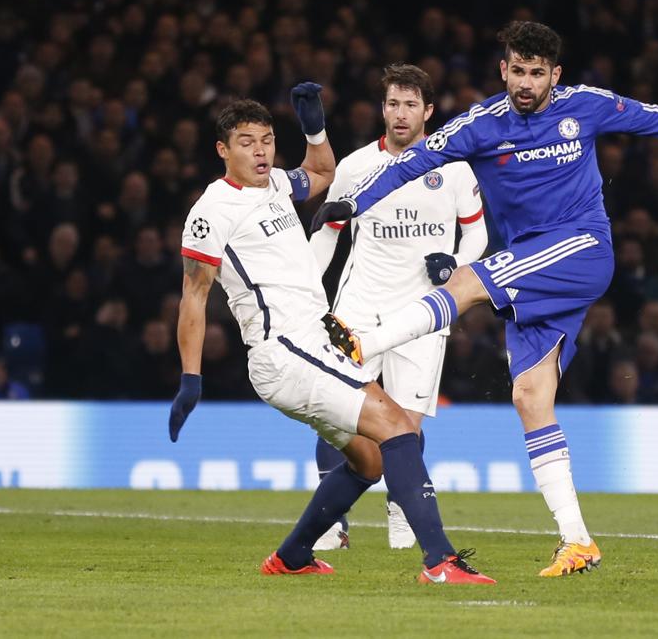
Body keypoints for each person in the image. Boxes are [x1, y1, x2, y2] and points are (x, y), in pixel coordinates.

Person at [312, 20, 658, 577]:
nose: (526, 83)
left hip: (583, 246)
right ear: (503, 70)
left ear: (555, 74)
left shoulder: (584, 106)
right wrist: (354, 203)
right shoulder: (481, 125)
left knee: (463, 283)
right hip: (533, 270)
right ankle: (577, 540)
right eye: (518, 71)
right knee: (530, 397)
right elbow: (414, 161)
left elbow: (656, 118)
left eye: (537, 73)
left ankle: (363, 343)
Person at [169, 86, 494, 585]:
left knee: (369, 460)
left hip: (314, 340)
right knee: (399, 429)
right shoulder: (213, 210)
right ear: (222, 150)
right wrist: (191, 377)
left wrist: (314, 129)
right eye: (246, 143)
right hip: (285, 349)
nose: (260, 152)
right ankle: (441, 562)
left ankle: (292, 555)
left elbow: (321, 173)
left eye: (267, 140)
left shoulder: (277, 184)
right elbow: (194, 295)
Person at [308, 64, 487, 550]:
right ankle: (331, 523)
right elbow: (327, 232)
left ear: (428, 111)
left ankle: (400, 509)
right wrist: (306, 291)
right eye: (393, 104)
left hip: (424, 312)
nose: (400, 114)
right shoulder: (356, 167)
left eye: (410, 104)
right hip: (359, 308)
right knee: (336, 415)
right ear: (382, 109)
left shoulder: (454, 168)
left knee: (406, 423)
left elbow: (477, 234)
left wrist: (455, 263)